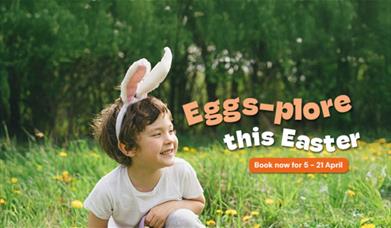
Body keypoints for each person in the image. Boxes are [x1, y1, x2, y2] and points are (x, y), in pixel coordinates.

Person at [84, 48, 205, 228]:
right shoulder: (109, 189)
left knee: (182, 219)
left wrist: (169, 207)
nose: (169, 139)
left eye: (170, 131)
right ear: (128, 148)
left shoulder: (181, 171)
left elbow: (198, 203)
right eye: (157, 134)